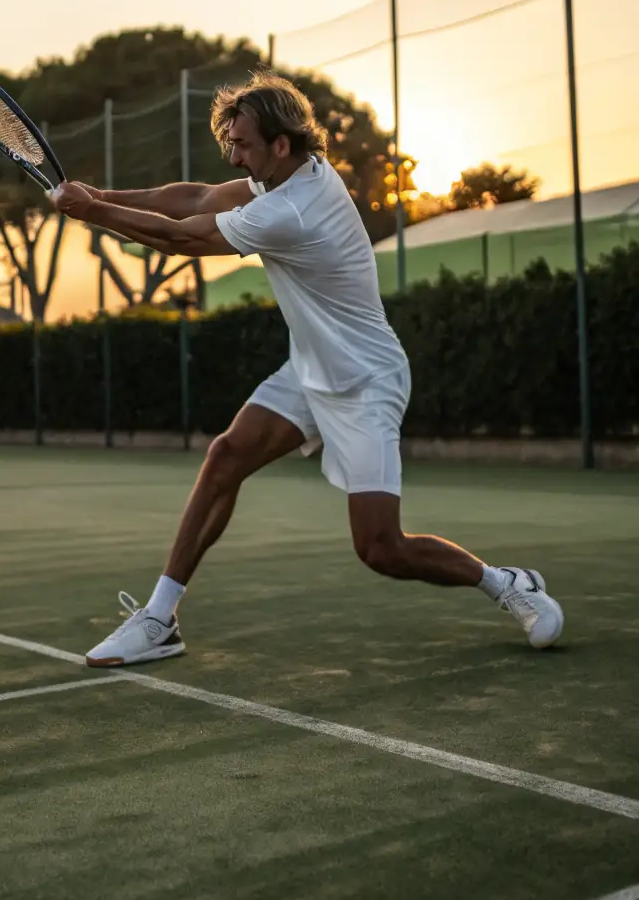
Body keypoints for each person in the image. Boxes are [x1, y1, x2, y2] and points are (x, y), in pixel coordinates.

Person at [52, 71, 564, 667]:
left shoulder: (292, 211)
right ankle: (159, 618)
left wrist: (91, 213)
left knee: (381, 548)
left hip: (365, 381)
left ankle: (506, 584)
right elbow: (194, 198)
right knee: (225, 457)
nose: (233, 153)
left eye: (243, 143)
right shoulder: (290, 175)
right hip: (308, 368)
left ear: (281, 145)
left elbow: (181, 239)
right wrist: (102, 197)